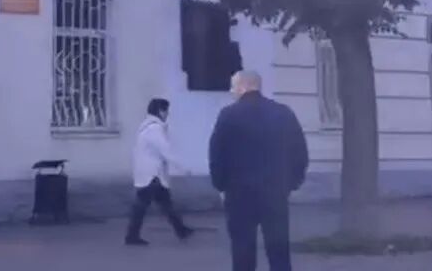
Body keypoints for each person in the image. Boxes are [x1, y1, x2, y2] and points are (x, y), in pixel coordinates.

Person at [209, 71, 309, 271]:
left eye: (233, 87)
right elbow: (300, 152)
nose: (231, 92)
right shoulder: (283, 113)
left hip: (239, 194)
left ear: (243, 87)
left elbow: (217, 154)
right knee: (279, 251)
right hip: (275, 192)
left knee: (242, 250)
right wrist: (291, 183)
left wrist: (221, 185)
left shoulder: (229, 115)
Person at [125, 98, 194, 246]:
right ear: (161, 111)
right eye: (166, 111)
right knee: (143, 206)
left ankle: (181, 229)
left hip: (149, 173)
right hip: (152, 175)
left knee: (165, 204)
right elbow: (166, 151)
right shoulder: (154, 129)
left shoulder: (146, 127)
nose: (168, 114)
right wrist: (183, 168)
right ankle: (132, 236)